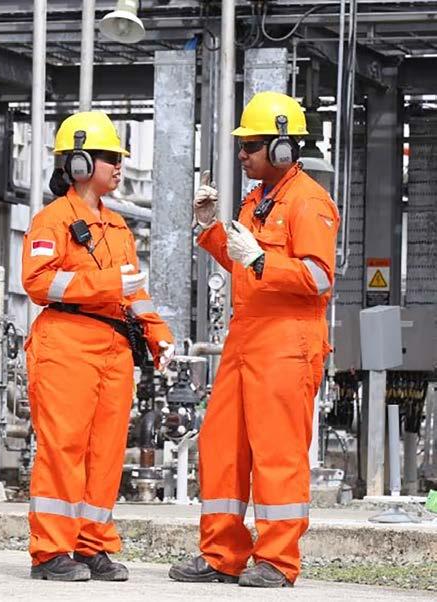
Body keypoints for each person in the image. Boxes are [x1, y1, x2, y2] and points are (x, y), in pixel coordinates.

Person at [169, 91, 339, 588]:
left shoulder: (309, 201)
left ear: (282, 148)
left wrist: (263, 259)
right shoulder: (256, 200)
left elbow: (319, 277)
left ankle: (277, 560)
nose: (241, 155)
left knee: (277, 452)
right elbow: (244, 264)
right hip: (245, 339)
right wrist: (209, 227)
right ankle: (222, 555)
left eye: (251, 146)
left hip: (287, 342)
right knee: (221, 447)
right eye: (241, 146)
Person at [23, 111, 175, 582]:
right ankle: (51, 551)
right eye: (111, 157)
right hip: (66, 344)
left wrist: (157, 332)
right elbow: (38, 282)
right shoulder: (52, 221)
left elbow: (134, 292)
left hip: (113, 347)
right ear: (80, 163)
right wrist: (106, 284)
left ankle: (91, 546)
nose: (119, 166)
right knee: (63, 447)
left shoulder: (117, 226)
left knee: (106, 453)